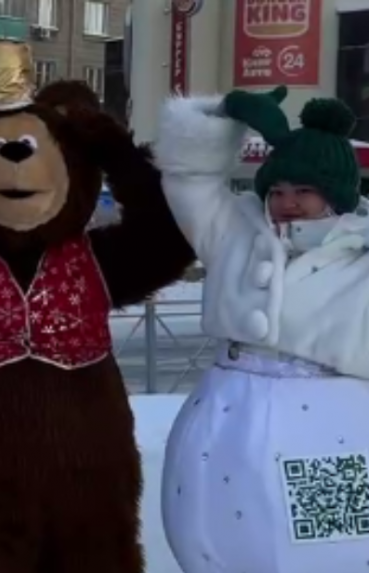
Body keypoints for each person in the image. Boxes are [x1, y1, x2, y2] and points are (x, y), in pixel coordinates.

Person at [155, 85, 369, 572]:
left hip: (333, 431)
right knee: (218, 538)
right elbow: (188, 178)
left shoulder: (362, 254)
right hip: (229, 414)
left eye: (304, 191)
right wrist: (221, 114)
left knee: (325, 550)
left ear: (335, 193)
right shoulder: (234, 231)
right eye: (277, 190)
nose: (287, 202)